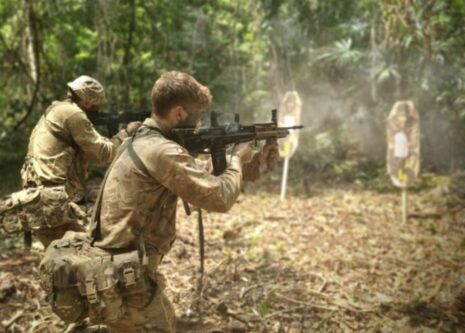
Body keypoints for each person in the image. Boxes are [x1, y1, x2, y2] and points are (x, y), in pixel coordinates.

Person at [88, 71, 278, 332]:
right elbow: (219, 197)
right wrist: (235, 159)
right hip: (125, 280)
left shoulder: (139, 140)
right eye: (197, 115)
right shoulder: (161, 150)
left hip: (118, 271)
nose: (198, 125)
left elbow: (198, 173)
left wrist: (255, 161)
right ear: (178, 113)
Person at [20, 75, 141, 247]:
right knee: (80, 258)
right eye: (95, 107)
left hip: (40, 198)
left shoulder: (56, 109)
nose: (95, 111)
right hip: (49, 202)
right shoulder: (74, 114)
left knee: (66, 260)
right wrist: (125, 134)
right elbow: (102, 154)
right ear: (86, 102)